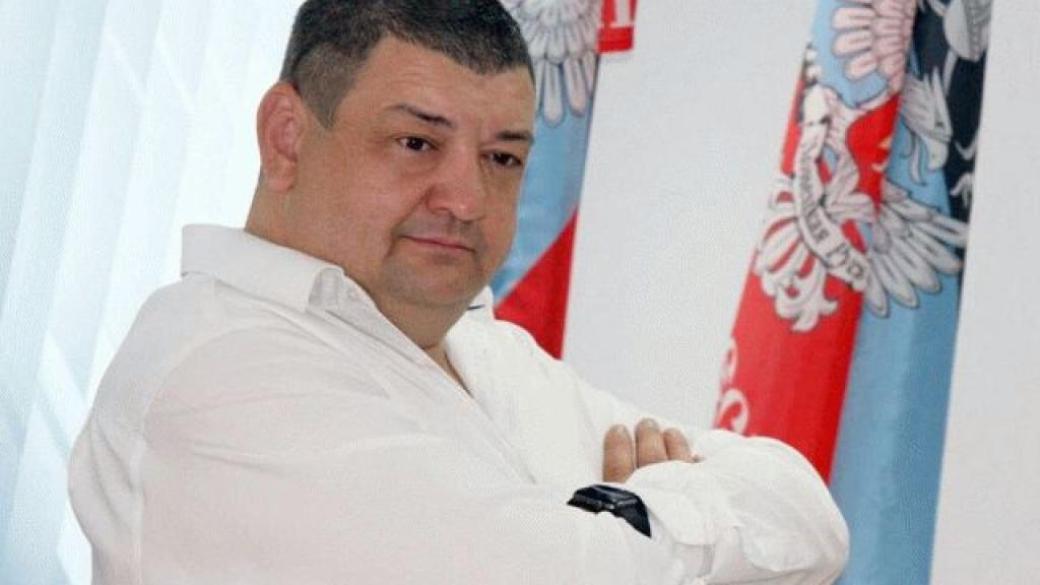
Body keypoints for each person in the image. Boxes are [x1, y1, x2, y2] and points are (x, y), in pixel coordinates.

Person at [68, 1, 849, 583]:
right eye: (416, 142)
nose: (467, 199)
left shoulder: (490, 352)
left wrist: (630, 515)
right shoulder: (213, 368)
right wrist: (664, 505)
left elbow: (808, 511)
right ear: (286, 137)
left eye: (502, 158)